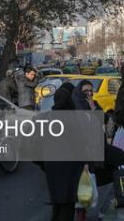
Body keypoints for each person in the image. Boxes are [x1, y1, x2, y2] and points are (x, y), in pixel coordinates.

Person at [41, 82, 85, 221]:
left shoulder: (47, 118)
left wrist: (45, 164)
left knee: (57, 205)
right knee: (67, 206)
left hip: (52, 167)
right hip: (70, 168)